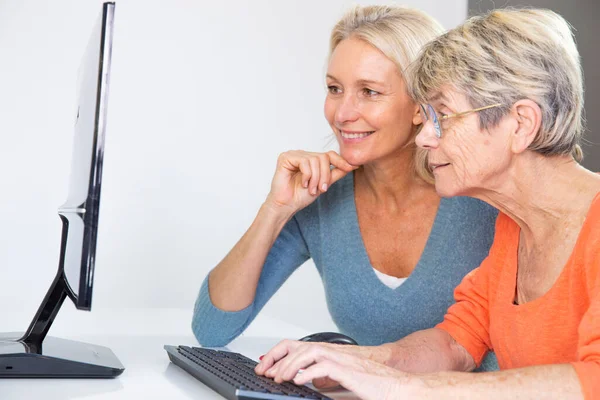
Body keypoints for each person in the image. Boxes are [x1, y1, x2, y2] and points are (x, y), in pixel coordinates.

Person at [254, 7, 600, 400]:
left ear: (520, 124)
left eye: (445, 116)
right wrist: (355, 362)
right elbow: (455, 343)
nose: (424, 138)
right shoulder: (515, 227)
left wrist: (403, 386)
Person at [193, 5, 498, 368]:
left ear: (421, 105)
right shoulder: (321, 199)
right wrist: (275, 211)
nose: (342, 113)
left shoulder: (485, 198)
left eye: (369, 92)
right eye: (335, 89)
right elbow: (211, 329)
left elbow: (521, 359)